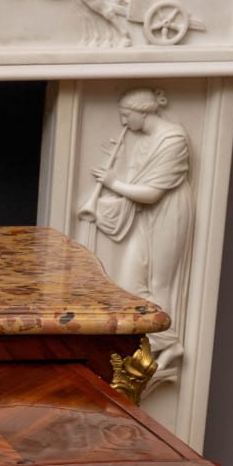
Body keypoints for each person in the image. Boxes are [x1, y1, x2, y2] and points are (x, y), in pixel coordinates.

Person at [82, 88, 194, 384]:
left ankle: (166, 345)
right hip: (145, 217)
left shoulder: (173, 140)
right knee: (129, 283)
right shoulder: (143, 140)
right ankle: (164, 342)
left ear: (142, 112)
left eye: (126, 115)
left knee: (159, 281)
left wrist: (112, 182)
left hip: (167, 214)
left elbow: (152, 193)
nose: (122, 121)